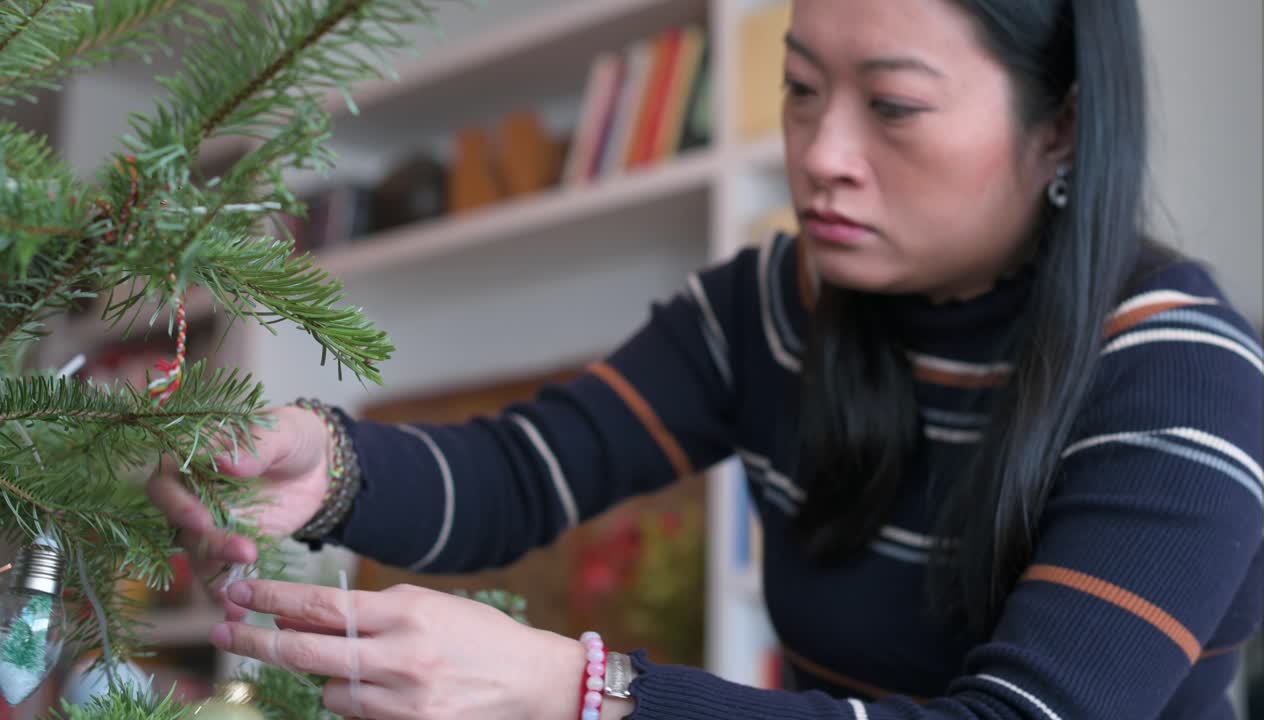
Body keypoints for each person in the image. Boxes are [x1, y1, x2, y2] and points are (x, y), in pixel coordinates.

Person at [148, 1, 1264, 718]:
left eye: (892, 107)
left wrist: (578, 691)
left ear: (1059, 127)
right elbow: (526, 472)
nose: (820, 156)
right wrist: (327, 466)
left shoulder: (1180, 382)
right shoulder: (771, 307)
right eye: (799, 87)